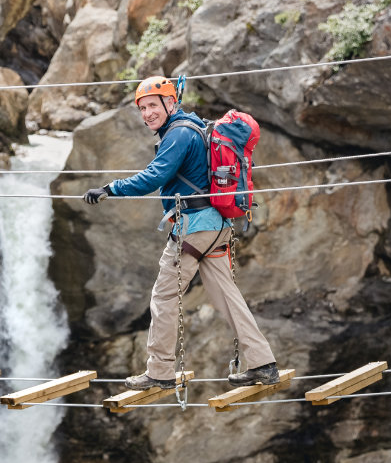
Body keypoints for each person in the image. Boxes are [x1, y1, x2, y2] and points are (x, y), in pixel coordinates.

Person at [82, 76, 278, 390]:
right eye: (142, 108)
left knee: (164, 296)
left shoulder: (179, 134)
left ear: (171, 103)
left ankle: (159, 371)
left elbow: (154, 176)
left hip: (194, 228)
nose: (147, 113)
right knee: (227, 297)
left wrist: (110, 189)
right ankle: (263, 363)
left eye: (152, 105)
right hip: (216, 227)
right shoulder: (195, 126)